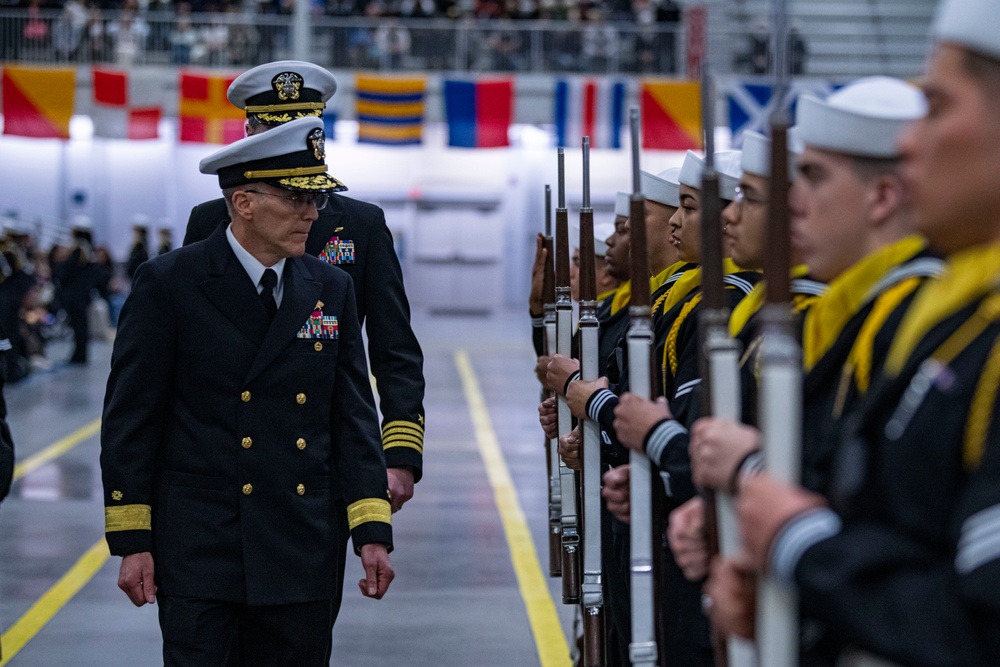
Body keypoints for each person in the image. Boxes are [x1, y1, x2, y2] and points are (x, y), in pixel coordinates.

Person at [706, 2, 1000, 663]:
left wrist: (794, 540)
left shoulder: (934, 319)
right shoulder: (950, 320)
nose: (909, 143)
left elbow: (977, 625)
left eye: (938, 107)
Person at [100, 117, 393, 666]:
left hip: (300, 544)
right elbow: (131, 420)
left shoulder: (331, 287)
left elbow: (352, 417)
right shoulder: (170, 283)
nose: (313, 213)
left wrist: (372, 531)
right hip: (201, 547)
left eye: (318, 199)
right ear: (244, 202)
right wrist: (132, 541)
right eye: (296, 199)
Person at [182, 60, 424, 620]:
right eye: (273, 134)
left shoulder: (359, 226)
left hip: (315, 450)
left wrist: (401, 455)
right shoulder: (209, 219)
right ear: (249, 138)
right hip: (228, 455)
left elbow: (393, 349)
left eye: (299, 132)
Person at [52, 216, 95, 365]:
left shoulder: (78, 251)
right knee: (81, 325)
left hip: (75, 295)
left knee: (79, 326)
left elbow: (66, 273)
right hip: (82, 295)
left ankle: (79, 355)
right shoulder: (88, 250)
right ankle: (80, 353)